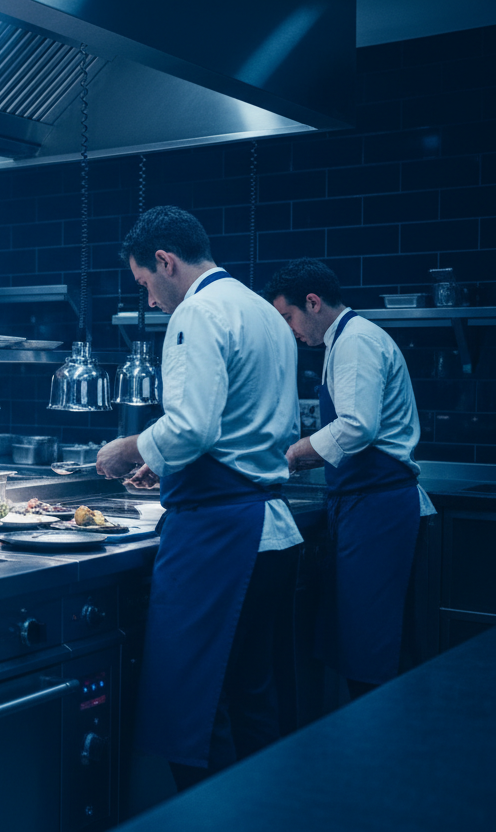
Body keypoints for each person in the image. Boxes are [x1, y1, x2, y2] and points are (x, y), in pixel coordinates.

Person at [95, 206, 303, 791]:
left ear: (166, 261)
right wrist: (169, 468)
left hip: (221, 538)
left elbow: (191, 428)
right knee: (252, 698)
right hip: (270, 531)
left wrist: (130, 447)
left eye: (145, 285)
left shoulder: (197, 313)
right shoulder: (262, 311)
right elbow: (245, 426)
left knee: (192, 705)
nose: (152, 301)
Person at [263, 258, 436, 700]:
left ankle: (376, 753)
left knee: (371, 644)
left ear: (313, 302)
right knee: (362, 638)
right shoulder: (343, 342)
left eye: (288, 317)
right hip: (362, 504)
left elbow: (358, 426)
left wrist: (294, 456)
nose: (290, 330)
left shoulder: (356, 342)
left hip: (378, 508)